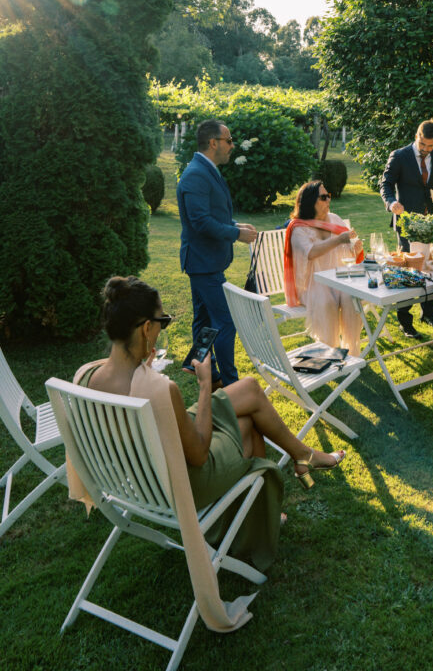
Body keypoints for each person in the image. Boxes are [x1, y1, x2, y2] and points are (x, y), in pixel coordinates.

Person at [76, 278, 346, 545]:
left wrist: (143, 366)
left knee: (250, 388)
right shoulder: (159, 389)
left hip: (145, 474)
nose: (162, 329)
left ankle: (302, 456)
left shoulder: (86, 377)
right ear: (147, 328)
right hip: (180, 483)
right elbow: (199, 454)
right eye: (163, 321)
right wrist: (205, 385)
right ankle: (262, 521)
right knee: (250, 425)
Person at [176, 119, 257, 387]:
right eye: (229, 140)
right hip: (203, 263)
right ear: (214, 143)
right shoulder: (197, 173)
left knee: (205, 319)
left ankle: (197, 365)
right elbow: (200, 221)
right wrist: (237, 235)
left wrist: (236, 225)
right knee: (225, 321)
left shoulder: (206, 169)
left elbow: (210, 214)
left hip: (204, 262)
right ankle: (231, 384)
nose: (232, 146)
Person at [380, 119, 433, 337]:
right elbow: (386, 183)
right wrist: (391, 203)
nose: (427, 150)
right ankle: (405, 321)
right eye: (423, 145)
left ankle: (428, 313)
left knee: (429, 266)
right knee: (409, 269)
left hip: (430, 221)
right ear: (416, 136)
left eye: (431, 146)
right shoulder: (399, 156)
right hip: (406, 221)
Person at [283, 180, 363, 355]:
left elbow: (349, 249)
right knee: (326, 301)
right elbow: (310, 253)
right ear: (310, 201)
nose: (328, 200)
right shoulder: (298, 228)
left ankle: (352, 351)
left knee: (351, 297)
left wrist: (355, 247)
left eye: (329, 196)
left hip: (338, 278)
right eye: (323, 197)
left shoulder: (334, 219)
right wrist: (339, 240)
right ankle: (330, 351)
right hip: (312, 284)